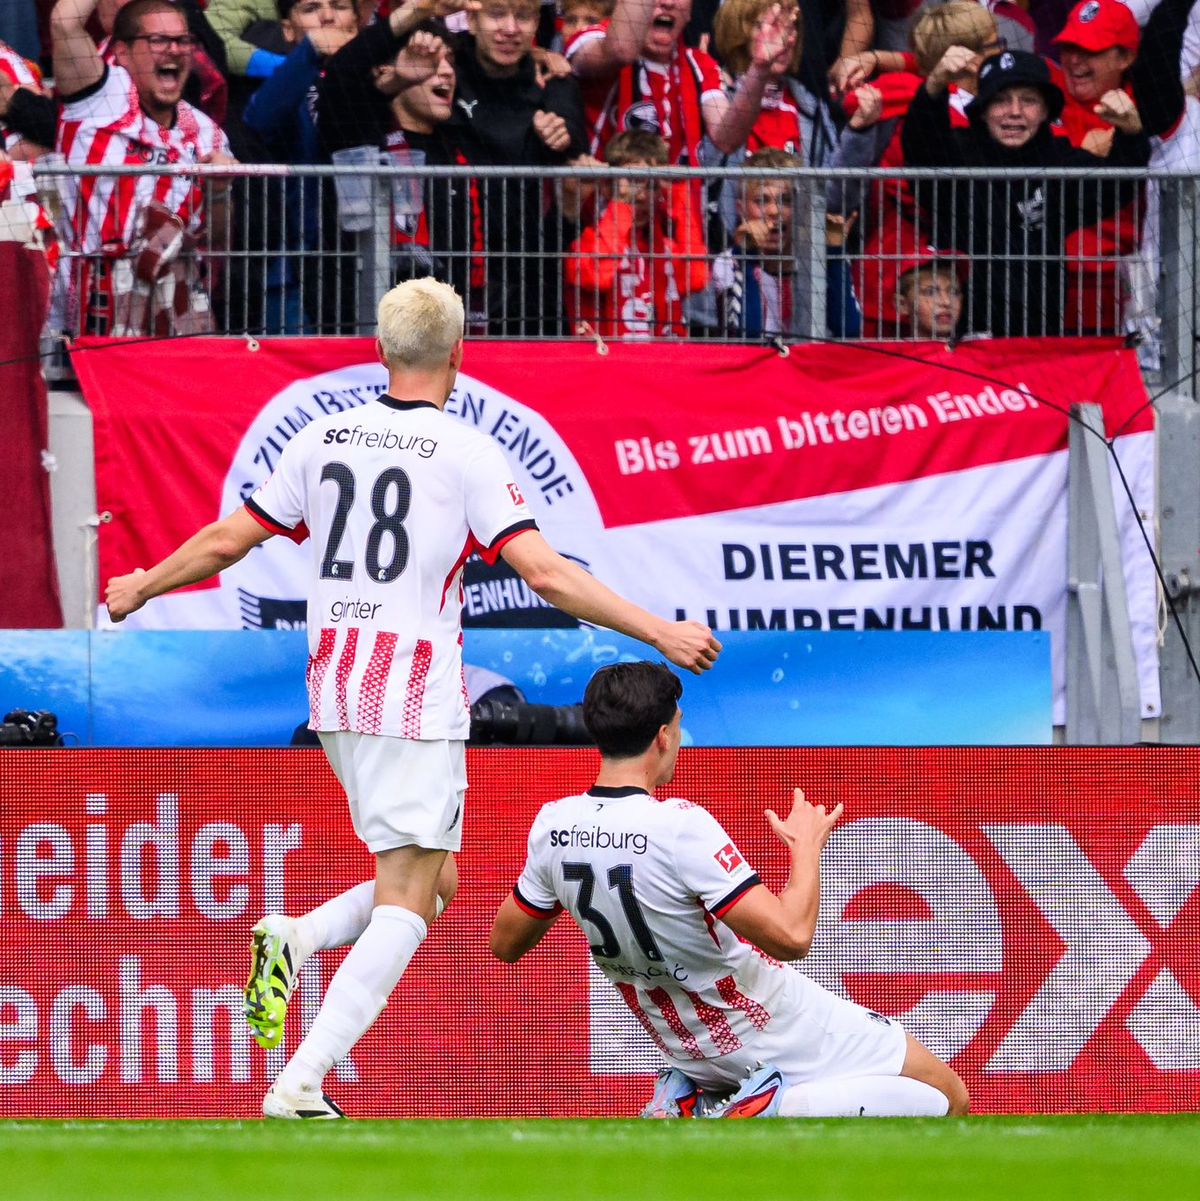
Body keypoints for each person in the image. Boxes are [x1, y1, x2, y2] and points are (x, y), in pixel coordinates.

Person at [104, 279, 721, 1119]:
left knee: (439, 880)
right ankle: (301, 1081)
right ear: (460, 356)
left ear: (383, 352)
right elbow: (542, 570)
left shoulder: (322, 436)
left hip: (335, 688)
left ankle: (298, 937)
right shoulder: (463, 451)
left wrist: (142, 582)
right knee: (408, 896)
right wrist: (657, 630)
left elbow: (226, 539)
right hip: (410, 692)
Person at [490, 660, 968, 1118]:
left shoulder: (554, 825)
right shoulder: (678, 827)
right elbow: (791, 936)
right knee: (947, 1096)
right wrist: (806, 848)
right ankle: (771, 1106)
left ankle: (690, 1097)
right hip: (766, 1023)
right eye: (677, 724)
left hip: (685, 1046)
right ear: (663, 735)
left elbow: (504, 944)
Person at [901, 46, 1149, 337]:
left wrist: (1131, 134)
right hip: (961, 333)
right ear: (982, 110)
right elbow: (920, 147)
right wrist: (934, 87)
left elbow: (1114, 187)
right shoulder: (956, 152)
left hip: (1038, 334)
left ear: (1045, 111)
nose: (1014, 112)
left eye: (1028, 101)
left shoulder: (1059, 159)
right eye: (1001, 100)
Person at [50, 0, 237, 337]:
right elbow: (64, 22)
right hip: (87, 309)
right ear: (122, 53)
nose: (175, 50)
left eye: (183, 41)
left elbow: (219, 238)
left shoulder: (208, 134)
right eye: (158, 40)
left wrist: (221, 188)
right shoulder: (100, 98)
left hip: (173, 316)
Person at [565, 0, 790, 164]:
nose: (668, 3)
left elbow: (727, 139)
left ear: (691, 11)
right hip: (607, 220)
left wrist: (759, 68)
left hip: (679, 221)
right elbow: (622, 49)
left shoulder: (699, 64)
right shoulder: (592, 38)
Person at [564, 128, 709, 338]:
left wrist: (680, 191)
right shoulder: (585, 244)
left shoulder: (664, 246)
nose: (640, 196)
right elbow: (598, 276)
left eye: (651, 185)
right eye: (632, 182)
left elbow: (696, 277)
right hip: (611, 366)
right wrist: (621, 203)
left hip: (666, 365)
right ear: (608, 185)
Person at [702, 147, 812, 338]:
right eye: (762, 200)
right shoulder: (727, 263)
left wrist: (835, 248)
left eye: (786, 200)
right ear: (741, 208)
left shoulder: (815, 260)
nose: (774, 211)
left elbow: (849, 329)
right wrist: (746, 255)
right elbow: (748, 333)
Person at [894, 248, 966, 340]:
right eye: (930, 292)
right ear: (902, 304)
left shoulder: (979, 351)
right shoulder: (885, 353)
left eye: (954, 292)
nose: (946, 302)